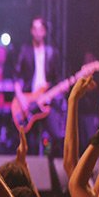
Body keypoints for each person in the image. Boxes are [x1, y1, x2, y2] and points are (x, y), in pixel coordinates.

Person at [13, 16, 63, 156]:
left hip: (46, 100)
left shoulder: (52, 52)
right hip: (29, 100)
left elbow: (57, 78)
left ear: (45, 31)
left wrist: (60, 89)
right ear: (31, 31)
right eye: (34, 29)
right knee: (29, 143)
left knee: (58, 136)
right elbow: (16, 76)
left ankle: (52, 170)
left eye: (40, 29)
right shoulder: (25, 50)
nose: (37, 32)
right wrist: (21, 97)